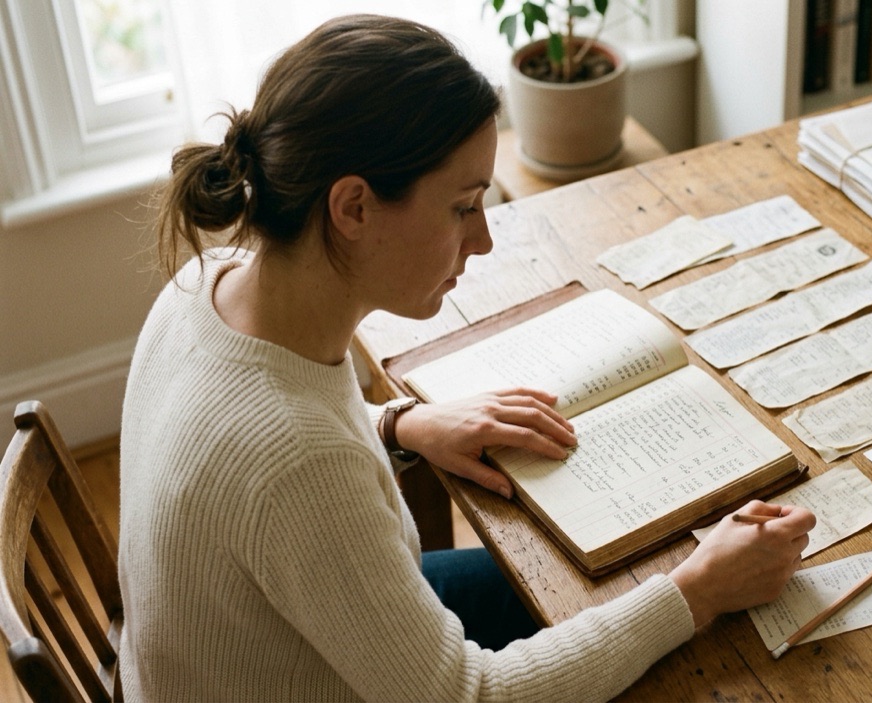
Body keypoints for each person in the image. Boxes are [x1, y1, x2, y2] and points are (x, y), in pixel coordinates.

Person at [119, 14, 815, 702]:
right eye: (463, 207)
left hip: (239, 653)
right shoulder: (301, 466)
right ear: (354, 207)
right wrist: (698, 590)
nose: (482, 241)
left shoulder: (206, 285)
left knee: (596, 582)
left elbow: (269, 433)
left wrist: (397, 426)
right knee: (682, 617)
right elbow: (469, 696)